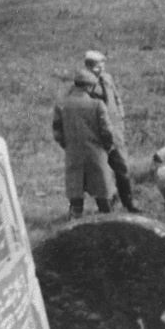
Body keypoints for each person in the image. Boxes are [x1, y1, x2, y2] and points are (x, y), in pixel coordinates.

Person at [52, 69, 116, 218]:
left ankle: (74, 219)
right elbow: (107, 132)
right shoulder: (97, 105)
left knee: (75, 190)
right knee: (102, 190)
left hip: (73, 153)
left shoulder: (62, 105)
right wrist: (108, 147)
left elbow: (57, 131)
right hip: (96, 153)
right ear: (89, 87)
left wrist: (68, 146)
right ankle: (108, 220)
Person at [84, 50, 139, 212]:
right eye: (96, 67)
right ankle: (108, 203)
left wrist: (121, 116)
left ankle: (129, 202)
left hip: (115, 132)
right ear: (87, 67)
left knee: (123, 168)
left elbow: (116, 98)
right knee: (102, 172)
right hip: (98, 135)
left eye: (102, 65)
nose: (100, 70)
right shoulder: (84, 84)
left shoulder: (107, 79)